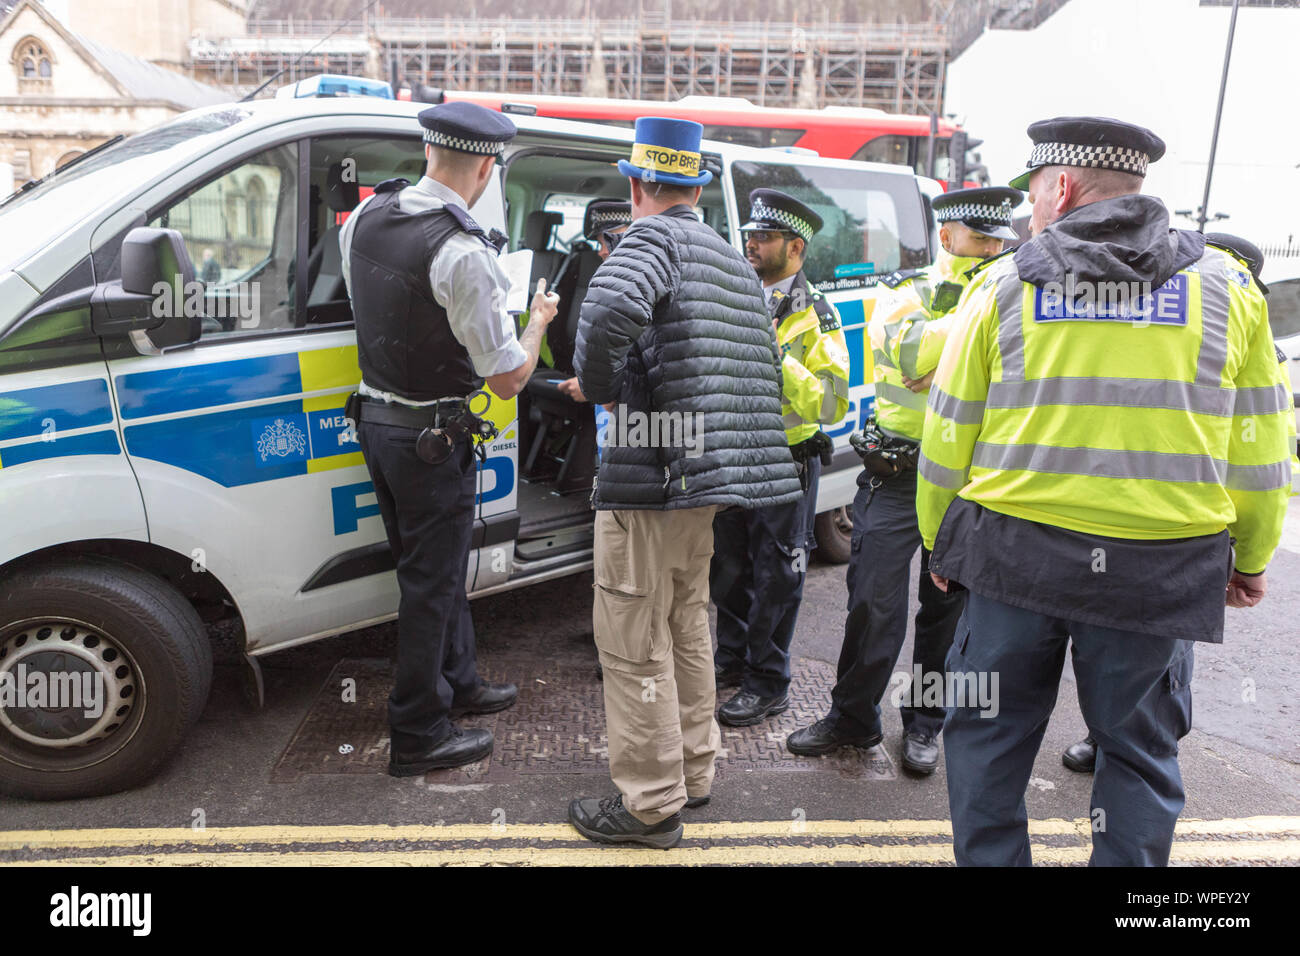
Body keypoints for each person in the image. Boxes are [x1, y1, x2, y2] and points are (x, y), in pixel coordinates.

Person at [917, 117, 1292, 866]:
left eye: (1033, 190)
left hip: (1013, 560)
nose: (1030, 206)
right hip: (1159, 572)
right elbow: (1260, 448)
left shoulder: (1002, 283)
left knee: (989, 739)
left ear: (1060, 187)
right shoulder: (1228, 289)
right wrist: (1251, 556)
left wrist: (938, 539)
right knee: (1138, 753)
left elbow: (949, 431)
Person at [568, 117, 802, 849]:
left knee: (634, 636)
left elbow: (606, 314)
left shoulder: (651, 238)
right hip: (704, 479)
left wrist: (600, 387)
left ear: (636, 184)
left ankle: (649, 803)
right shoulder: (730, 257)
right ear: (694, 185)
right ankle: (694, 773)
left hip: (651, 477)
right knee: (684, 623)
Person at [339, 101, 560, 776]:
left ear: (429, 151)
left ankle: (460, 682)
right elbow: (507, 379)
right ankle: (417, 734)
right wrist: (539, 320)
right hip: (431, 443)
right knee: (430, 588)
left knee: (431, 574)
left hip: (378, 424)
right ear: (489, 169)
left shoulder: (368, 218)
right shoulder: (463, 255)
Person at [786, 185, 1020, 774]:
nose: (994, 249)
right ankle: (853, 719)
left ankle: (925, 726)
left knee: (947, 613)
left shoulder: (1008, 298)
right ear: (947, 237)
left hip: (968, 482)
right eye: (982, 238)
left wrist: (951, 340)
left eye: (1000, 240)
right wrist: (967, 333)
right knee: (873, 602)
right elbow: (911, 354)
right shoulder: (904, 291)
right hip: (897, 475)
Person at [1054, 232, 1300, 778]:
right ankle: (1117, 736)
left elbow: (1265, 460)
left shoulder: (1253, 344)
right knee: (1139, 643)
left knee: (1159, 650)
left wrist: (1248, 550)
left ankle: (1136, 738)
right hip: (1145, 512)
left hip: (1194, 520)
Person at [709, 188, 850, 727]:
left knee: (777, 573)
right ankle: (733, 658)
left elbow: (833, 402)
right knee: (728, 566)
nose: (750, 244)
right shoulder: (735, 295)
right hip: (734, 454)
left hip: (786, 460)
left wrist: (778, 360)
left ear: (795, 247)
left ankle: (769, 681)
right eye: (749, 234)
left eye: (763, 237)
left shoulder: (818, 315)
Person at [556, 198, 631, 405]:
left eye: (608, 240)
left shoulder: (642, 281)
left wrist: (595, 390)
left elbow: (641, 355)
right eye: (599, 243)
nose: (601, 251)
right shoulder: (612, 278)